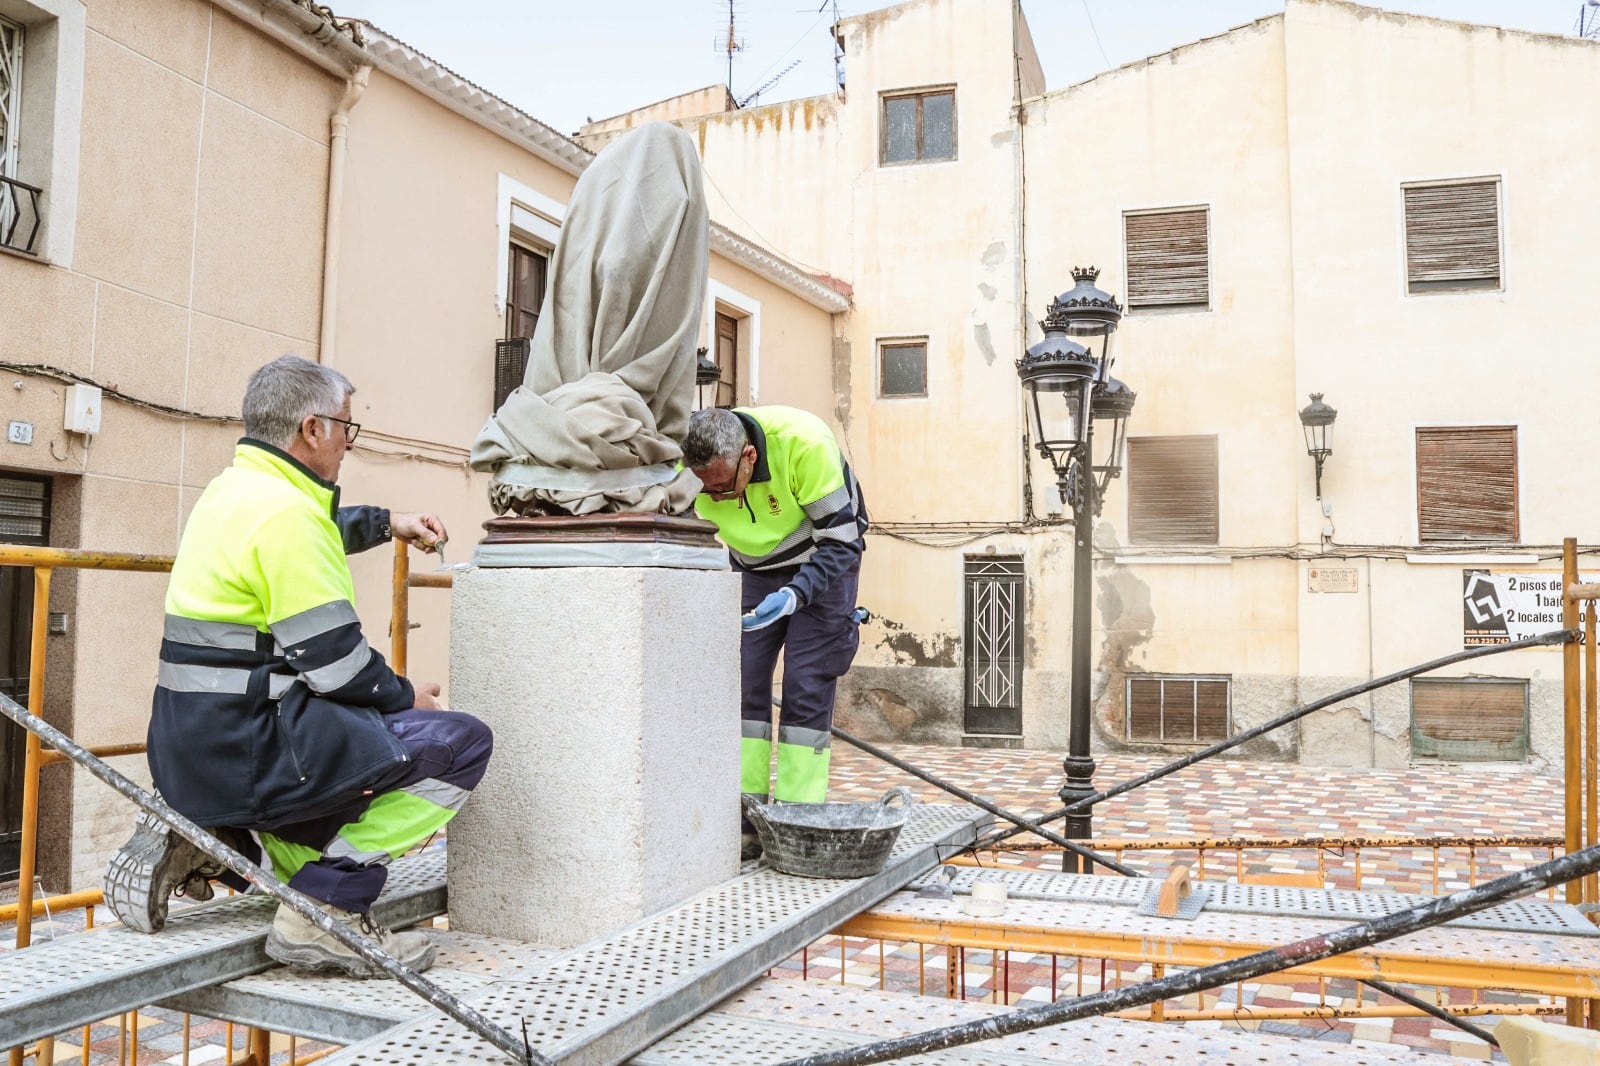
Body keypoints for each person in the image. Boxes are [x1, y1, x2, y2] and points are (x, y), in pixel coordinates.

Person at [103, 355, 493, 978]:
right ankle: (323, 911)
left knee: (348, 747)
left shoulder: (234, 490)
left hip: (188, 747)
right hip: (248, 751)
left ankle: (216, 839)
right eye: (346, 427)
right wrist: (407, 695)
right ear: (312, 429)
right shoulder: (287, 517)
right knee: (457, 743)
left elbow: (319, 525)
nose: (348, 442)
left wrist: (388, 523)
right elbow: (340, 668)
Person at [681, 406, 868, 860]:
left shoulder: (804, 445)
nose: (716, 497)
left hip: (822, 560)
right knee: (743, 685)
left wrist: (796, 594)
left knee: (806, 683)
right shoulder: (681, 466)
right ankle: (743, 819)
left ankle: (797, 822)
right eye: (706, 488)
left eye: (723, 486)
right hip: (753, 569)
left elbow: (842, 540)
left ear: (749, 456)